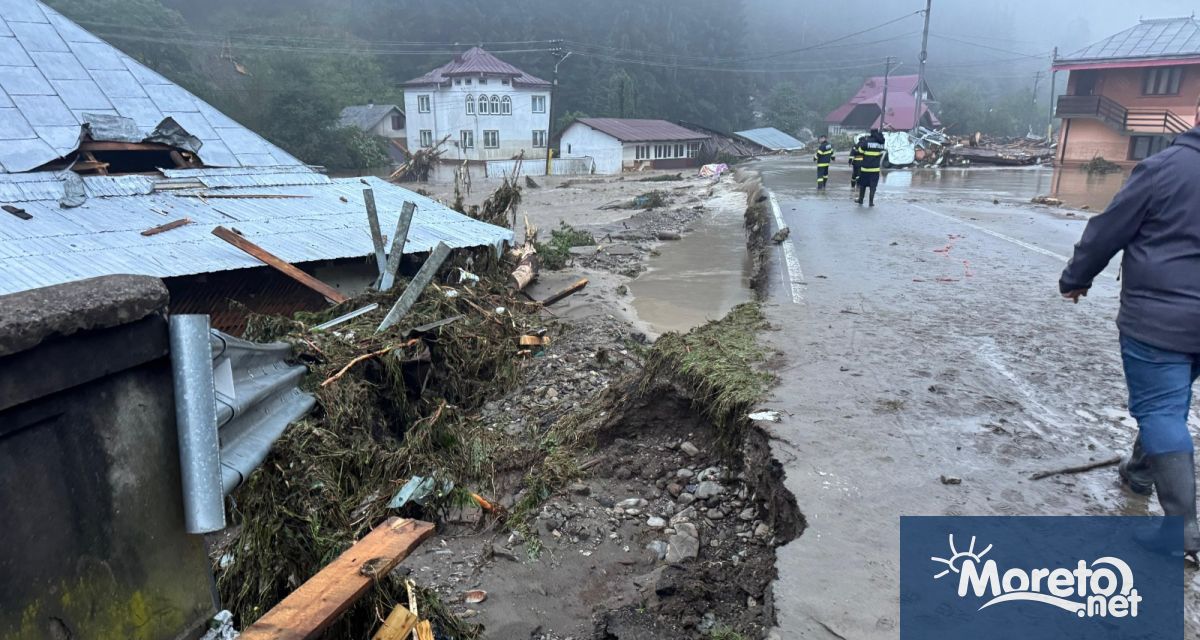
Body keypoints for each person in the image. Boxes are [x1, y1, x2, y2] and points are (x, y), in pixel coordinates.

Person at [1059, 98, 1200, 558]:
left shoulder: (1164, 169)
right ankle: (1139, 470)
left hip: (1160, 318)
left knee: (1160, 407)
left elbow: (1108, 229)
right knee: (1168, 402)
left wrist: (1076, 278)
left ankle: (1181, 530)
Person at [856, 129, 886, 206]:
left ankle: (861, 200)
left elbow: (859, 151)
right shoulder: (881, 143)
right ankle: (871, 202)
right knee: (873, 186)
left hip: (865, 169)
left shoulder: (867, 142)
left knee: (863, 185)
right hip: (875, 169)